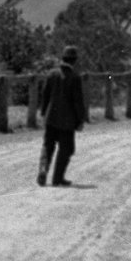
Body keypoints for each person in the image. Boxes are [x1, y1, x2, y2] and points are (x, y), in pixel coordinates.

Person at [36, 45, 90, 187]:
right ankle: (58, 178)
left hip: (51, 118)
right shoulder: (75, 77)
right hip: (67, 121)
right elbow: (78, 101)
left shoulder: (51, 74)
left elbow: (45, 95)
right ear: (74, 60)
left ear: (63, 58)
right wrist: (81, 119)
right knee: (66, 149)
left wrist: (43, 112)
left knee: (48, 146)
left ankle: (43, 170)